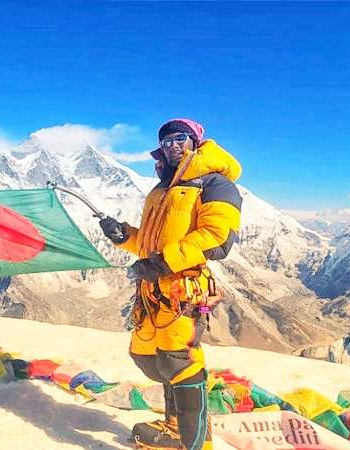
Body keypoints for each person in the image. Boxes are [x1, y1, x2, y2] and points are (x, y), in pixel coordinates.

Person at [99, 118, 242, 450]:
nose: (172, 145)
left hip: (183, 289)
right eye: (166, 141)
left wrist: (162, 264)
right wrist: (125, 236)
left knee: (178, 361)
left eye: (180, 139)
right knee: (150, 356)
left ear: (195, 141)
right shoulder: (162, 189)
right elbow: (152, 243)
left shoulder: (216, 184)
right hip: (154, 292)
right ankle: (174, 427)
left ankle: (194, 443)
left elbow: (216, 239)